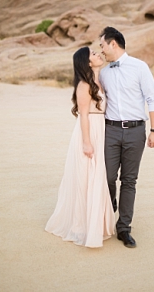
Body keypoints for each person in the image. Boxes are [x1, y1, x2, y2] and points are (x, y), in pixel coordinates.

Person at [45, 46, 116, 247]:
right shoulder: (84, 85)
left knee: (98, 176)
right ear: (87, 62)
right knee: (87, 177)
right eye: (93, 54)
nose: (98, 54)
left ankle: (98, 224)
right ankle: (82, 226)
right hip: (89, 131)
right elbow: (84, 114)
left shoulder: (99, 82)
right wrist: (87, 142)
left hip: (102, 129)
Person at [97, 26, 154, 247]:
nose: (101, 50)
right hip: (111, 130)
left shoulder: (140, 67)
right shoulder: (103, 73)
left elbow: (152, 98)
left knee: (129, 180)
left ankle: (123, 228)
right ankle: (110, 204)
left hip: (136, 131)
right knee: (107, 176)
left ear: (113, 43)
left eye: (102, 45)